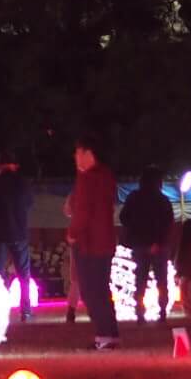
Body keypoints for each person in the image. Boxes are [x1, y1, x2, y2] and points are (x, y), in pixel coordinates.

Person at [67, 138, 119, 349]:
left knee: (90, 290)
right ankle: (110, 333)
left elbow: (83, 210)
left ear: (88, 153)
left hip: (88, 242)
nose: (75, 157)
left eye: (78, 152)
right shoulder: (107, 176)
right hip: (105, 241)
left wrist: (73, 233)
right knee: (102, 289)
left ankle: (104, 335)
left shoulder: (87, 178)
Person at [119, 169, 176, 325]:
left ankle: (140, 313)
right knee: (161, 280)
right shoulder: (162, 199)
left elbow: (123, 217)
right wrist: (158, 241)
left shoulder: (134, 198)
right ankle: (162, 311)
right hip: (159, 245)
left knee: (140, 280)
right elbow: (168, 222)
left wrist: (135, 229)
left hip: (139, 243)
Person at [0, 152, 35, 321]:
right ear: (15, 166)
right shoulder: (24, 183)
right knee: (23, 274)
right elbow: (29, 204)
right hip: (19, 232)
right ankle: (25, 309)